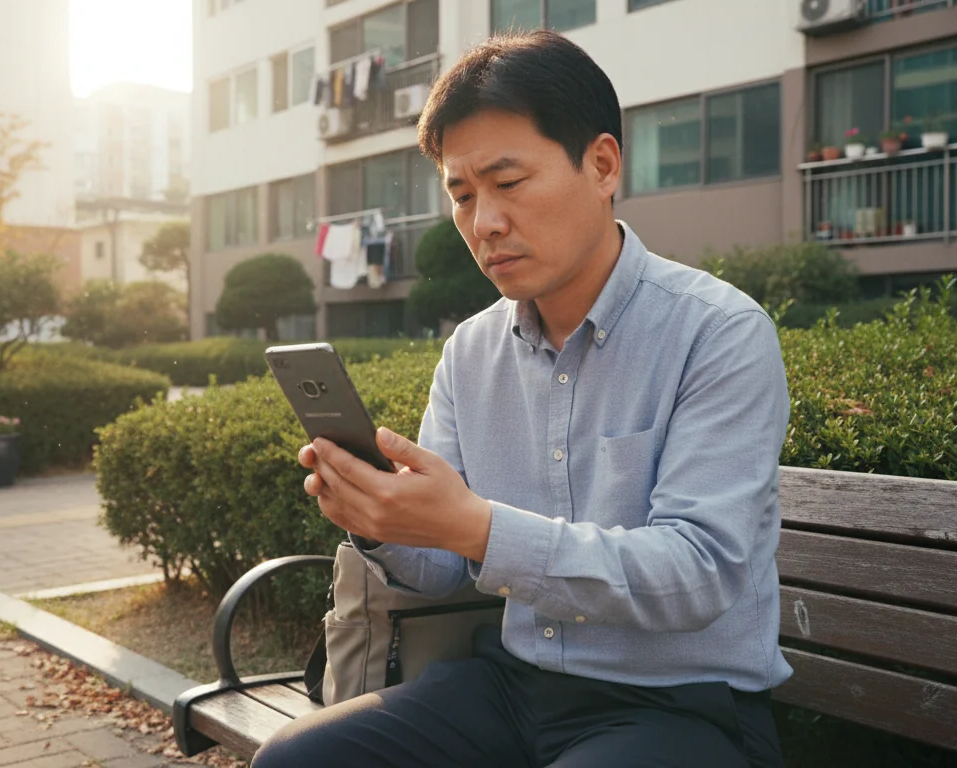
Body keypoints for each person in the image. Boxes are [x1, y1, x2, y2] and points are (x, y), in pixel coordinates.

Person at [254, 30, 790, 768]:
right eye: (462, 195)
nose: (484, 224)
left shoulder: (720, 333)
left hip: (682, 706)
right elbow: (441, 567)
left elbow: (697, 574)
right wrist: (380, 521)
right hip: (514, 688)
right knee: (296, 760)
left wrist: (478, 527)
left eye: (508, 184)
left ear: (602, 165)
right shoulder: (472, 351)